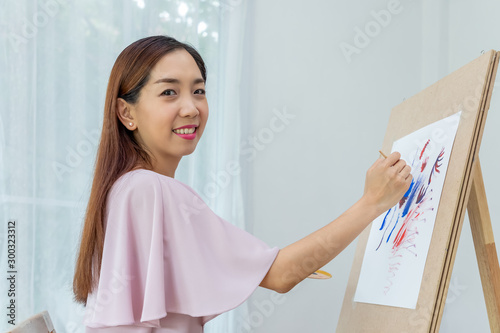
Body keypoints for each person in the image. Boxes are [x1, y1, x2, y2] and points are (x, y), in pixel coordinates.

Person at [72, 35, 412, 332]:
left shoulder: (125, 188)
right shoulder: (151, 190)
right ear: (126, 113)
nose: (191, 108)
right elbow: (281, 275)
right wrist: (372, 202)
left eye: (199, 91)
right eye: (169, 92)